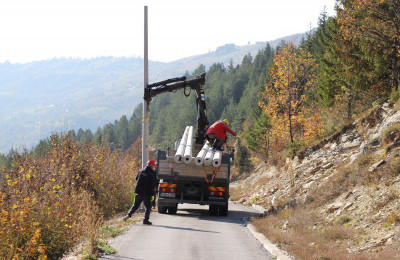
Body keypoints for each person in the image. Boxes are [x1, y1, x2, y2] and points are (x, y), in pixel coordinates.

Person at [123, 160, 159, 225]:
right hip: (147, 193)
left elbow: (136, 178)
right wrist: (153, 194)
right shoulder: (153, 173)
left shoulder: (140, 171)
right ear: (152, 166)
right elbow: (154, 184)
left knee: (135, 205)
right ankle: (145, 220)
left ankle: (129, 215)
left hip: (139, 192)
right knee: (148, 207)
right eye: (154, 166)